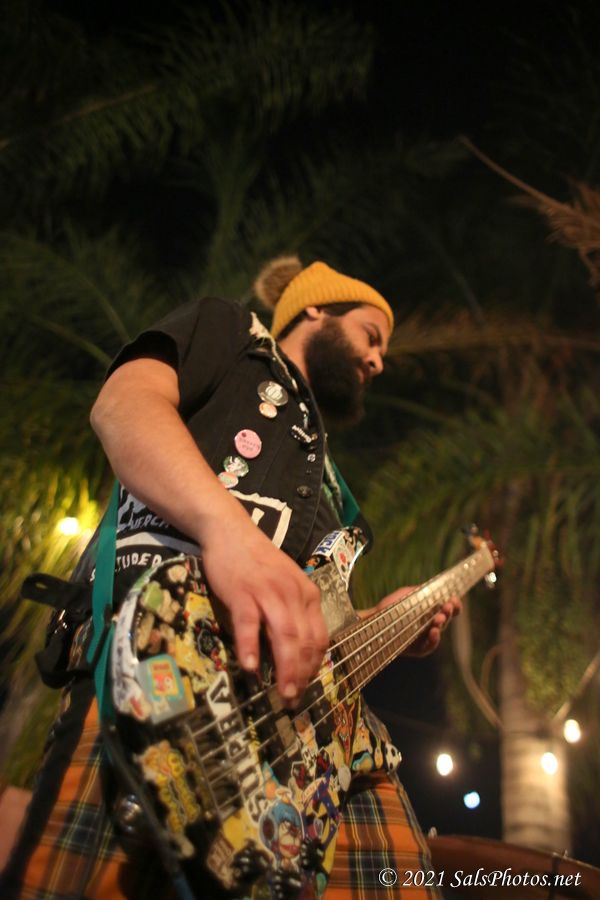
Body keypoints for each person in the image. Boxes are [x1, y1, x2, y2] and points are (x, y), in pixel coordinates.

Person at [2, 256, 459, 899]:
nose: (378, 361)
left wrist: (380, 621)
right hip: (164, 664)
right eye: (370, 335)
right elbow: (123, 405)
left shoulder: (330, 486)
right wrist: (229, 532)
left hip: (311, 743)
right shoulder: (233, 335)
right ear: (316, 309)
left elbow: (314, 619)